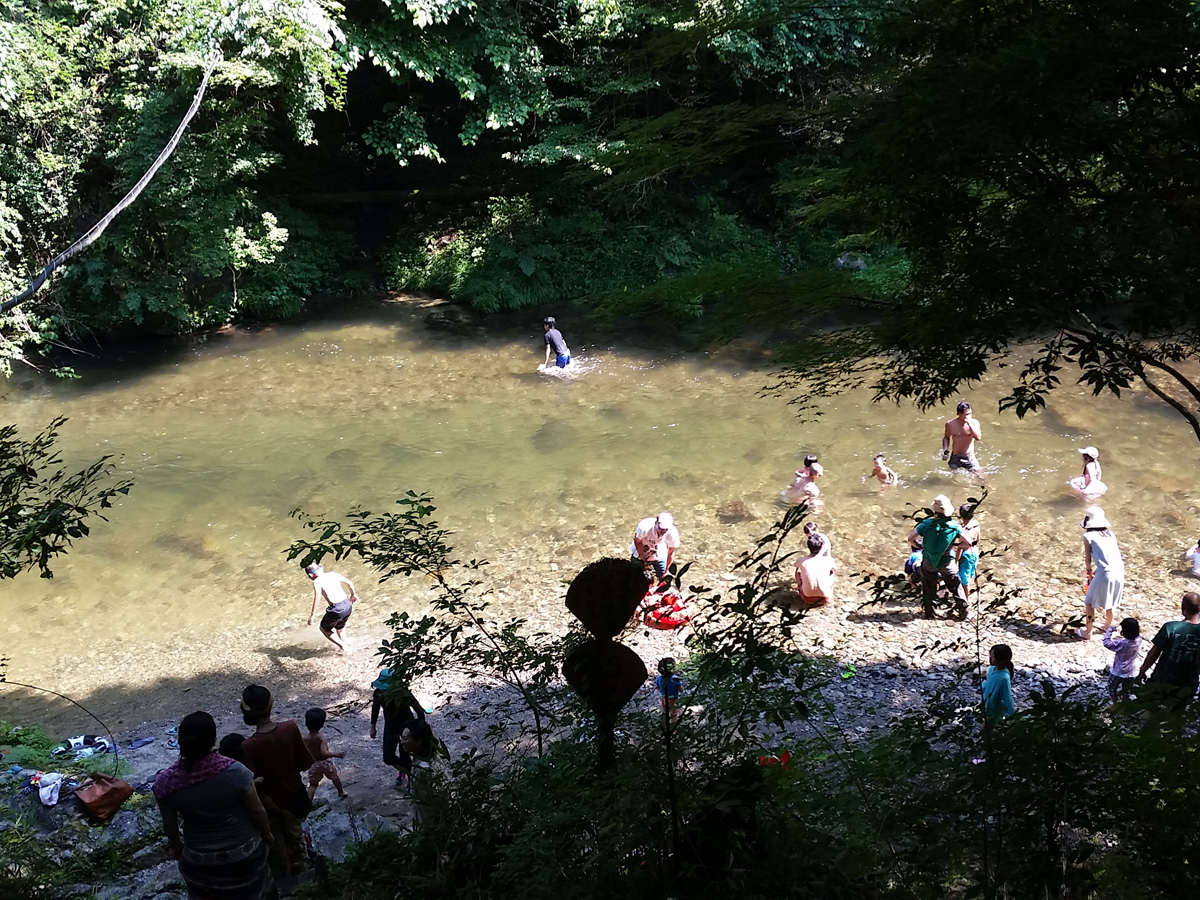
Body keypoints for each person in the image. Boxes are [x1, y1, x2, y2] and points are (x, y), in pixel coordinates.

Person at [153, 711, 276, 900]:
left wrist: (178, 847)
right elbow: (257, 810)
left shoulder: (165, 783)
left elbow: (170, 825)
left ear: (181, 741)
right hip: (244, 854)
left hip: (199, 860)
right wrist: (267, 834)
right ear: (213, 740)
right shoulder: (236, 771)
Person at [238, 685, 315, 879]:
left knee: (276, 855)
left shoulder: (248, 746)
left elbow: (254, 787)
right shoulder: (290, 727)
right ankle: (305, 882)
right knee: (297, 846)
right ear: (271, 705)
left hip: (269, 809)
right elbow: (305, 763)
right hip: (295, 801)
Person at [908, 494, 971, 619]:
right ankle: (964, 612)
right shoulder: (954, 526)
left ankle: (930, 613)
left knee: (928, 587)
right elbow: (968, 543)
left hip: (928, 561)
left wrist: (919, 547)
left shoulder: (927, 524)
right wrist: (955, 545)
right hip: (947, 562)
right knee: (956, 586)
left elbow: (910, 538)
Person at [1137, 592, 1200, 706]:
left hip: (1163, 679)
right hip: (1188, 684)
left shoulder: (1170, 627)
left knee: (1150, 708)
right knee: (1177, 712)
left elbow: (1153, 654)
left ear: (1183, 607)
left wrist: (1142, 671)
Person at [369, 667, 426, 791]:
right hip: (390, 727)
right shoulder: (378, 693)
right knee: (388, 758)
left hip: (406, 728)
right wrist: (373, 726)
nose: (382, 690)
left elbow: (419, 711)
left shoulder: (403, 693)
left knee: (406, 758)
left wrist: (419, 729)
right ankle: (405, 770)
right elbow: (375, 708)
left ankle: (411, 782)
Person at [1076, 506, 1125, 640]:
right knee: (1111, 601)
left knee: (1089, 602)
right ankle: (1107, 626)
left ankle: (1087, 632)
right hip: (1119, 570)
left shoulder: (1088, 536)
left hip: (1105, 572)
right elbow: (1110, 556)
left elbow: (1088, 558)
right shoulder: (1110, 534)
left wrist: (1089, 571)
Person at [304, 562, 359, 652]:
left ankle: (343, 647)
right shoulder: (333, 574)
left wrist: (312, 615)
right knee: (340, 628)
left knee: (324, 629)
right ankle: (346, 643)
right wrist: (353, 594)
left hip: (337, 608)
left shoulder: (317, 581)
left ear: (310, 575)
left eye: (309, 577)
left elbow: (317, 597)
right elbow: (349, 582)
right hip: (347, 605)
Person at [302, 708, 346, 802]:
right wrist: (336, 754)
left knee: (313, 785)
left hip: (313, 763)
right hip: (325, 763)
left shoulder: (304, 738)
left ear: (306, 723)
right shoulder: (321, 738)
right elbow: (324, 752)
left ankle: (308, 802)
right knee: (335, 778)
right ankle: (341, 792)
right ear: (322, 724)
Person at [630, 512, 681, 580]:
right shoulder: (644, 527)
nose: (663, 531)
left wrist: (666, 571)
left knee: (665, 578)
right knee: (634, 575)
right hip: (640, 551)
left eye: (666, 530)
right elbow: (637, 542)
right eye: (661, 529)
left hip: (659, 553)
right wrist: (643, 559)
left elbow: (670, 552)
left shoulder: (672, 533)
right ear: (656, 523)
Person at [1102, 618, 1142, 703]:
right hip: (1131, 671)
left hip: (1118, 671)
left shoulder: (1122, 643)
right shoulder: (1139, 640)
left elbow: (1106, 643)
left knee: (1112, 687)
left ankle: (1115, 704)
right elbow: (1137, 634)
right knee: (1126, 689)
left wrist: (1109, 630)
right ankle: (1124, 704)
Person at [941, 401, 983, 475]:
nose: (969, 416)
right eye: (966, 414)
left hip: (969, 456)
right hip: (955, 456)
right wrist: (945, 449)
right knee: (953, 476)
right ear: (959, 414)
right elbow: (946, 437)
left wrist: (970, 424)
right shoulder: (950, 424)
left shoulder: (974, 423)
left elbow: (978, 438)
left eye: (970, 413)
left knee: (980, 476)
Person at [795, 533, 836, 607]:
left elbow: (796, 566)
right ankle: (830, 591)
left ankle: (800, 587)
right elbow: (834, 569)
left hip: (806, 597)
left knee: (798, 570)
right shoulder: (829, 560)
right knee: (832, 571)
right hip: (825, 598)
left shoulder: (801, 560)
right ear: (821, 546)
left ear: (808, 546)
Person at [981, 645, 1015, 720]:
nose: (990, 658)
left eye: (993, 656)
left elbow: (1007, 698)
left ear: (1001, 659)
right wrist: (982, 687)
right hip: (986, 707)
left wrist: (1012, 716)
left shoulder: (1004, 678)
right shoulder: (992, 669)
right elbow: (989, 682)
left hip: (995, 713)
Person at [957, 503, 981, 597]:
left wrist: (956, 560)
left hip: (966, 555)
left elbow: (960, 547)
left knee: (963, 580)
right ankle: (967, 593)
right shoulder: (976, 524)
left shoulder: (964, 531)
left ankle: (966, 599)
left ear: (961, 515)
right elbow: (978, 539)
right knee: (969, 575)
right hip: (974, 551)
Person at [656, 657, 683, 722]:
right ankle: (673, 725)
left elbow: (658, 687)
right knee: (674, 715)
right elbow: (681, 690)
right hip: (672, 700)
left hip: (663, 699)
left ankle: (664, 724)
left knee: (664, 712)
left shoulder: (659, 678)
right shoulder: (675, 679)